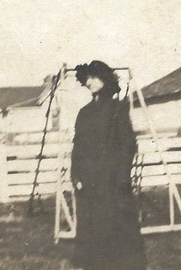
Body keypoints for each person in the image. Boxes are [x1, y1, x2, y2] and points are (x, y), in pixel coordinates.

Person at [71, 61, 147, 270]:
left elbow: (128, 144)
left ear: (105, 79)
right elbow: (77, 146)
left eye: (95, 77)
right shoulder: (84, 112)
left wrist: (122, 176)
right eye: (87, 78)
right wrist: (75, 175)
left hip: (112, 180)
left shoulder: (117, 109)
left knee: (117, 228)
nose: (90, 82)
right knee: (91, 227)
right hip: (89, 180)